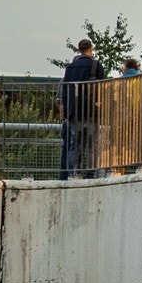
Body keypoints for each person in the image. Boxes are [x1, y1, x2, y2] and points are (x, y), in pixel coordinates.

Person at [59, 36, 104, 179]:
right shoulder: (96, 66)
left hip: (74, 112)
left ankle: (74, 172)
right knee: (91, 145)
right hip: (92, 111)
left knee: (74, 145)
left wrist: (66, 112)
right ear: (91, 49)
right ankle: (90, 174)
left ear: (78, 50)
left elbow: (65, 90)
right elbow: (103, 88)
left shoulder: (70, 68)